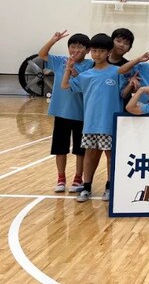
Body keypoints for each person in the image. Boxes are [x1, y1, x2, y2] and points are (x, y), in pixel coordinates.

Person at [62, 33, 149, 203]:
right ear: (90, 52)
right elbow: (65, 85)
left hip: (109, 123)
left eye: (101, 51)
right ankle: (86, 187)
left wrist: (137, 64)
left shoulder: (115, 72)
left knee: (110, 156)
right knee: (89, 155)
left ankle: (109, 187)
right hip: (90, 123)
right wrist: (68, 69)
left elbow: (122, 91)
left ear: (108, 52)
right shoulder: (86, 75)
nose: (97, 54)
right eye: (94, 51)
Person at [38, 30, 93, 193]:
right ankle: (61, 178)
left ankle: (78, 178)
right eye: (72, 46)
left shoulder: (90, 65)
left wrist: (75, 73)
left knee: (80, 149)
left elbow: (87, 84)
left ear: (88, 50)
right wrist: (53, 40)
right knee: (60, 147)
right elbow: (42, 54)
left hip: (82, 114)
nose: (75, 50)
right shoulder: (60, 61)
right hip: (61, 112)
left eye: (80, 47)